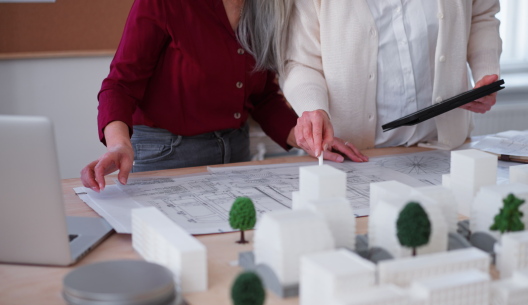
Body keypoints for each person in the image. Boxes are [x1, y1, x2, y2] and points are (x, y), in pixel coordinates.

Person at [80, 0, 360, 192]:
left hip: (236, 155)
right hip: (166, 153)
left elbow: (263, 98)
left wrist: (309, 140)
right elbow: (119, 85)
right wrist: (118, 144)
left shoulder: (265, 9)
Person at [282, 0, 502, 162]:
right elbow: (300, 63)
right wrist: (313, 109)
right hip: (355, 156)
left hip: (443, 146)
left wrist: (485, 72)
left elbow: (482, 15)